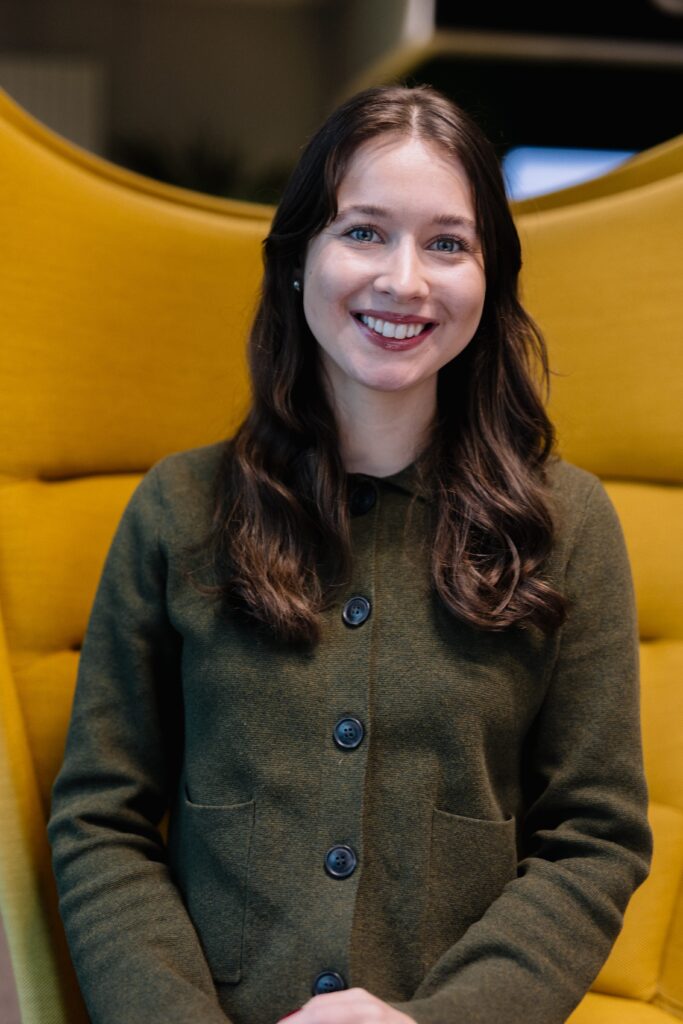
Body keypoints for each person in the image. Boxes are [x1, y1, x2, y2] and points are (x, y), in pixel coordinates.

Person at [48, 85, 652, 1024]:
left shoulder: (565, 523)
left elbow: (594, 838)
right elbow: (100, 820)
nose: (404, 281)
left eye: (447, 244)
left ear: (489, 279)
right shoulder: (179, 507)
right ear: (298, 259)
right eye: (363, 232)